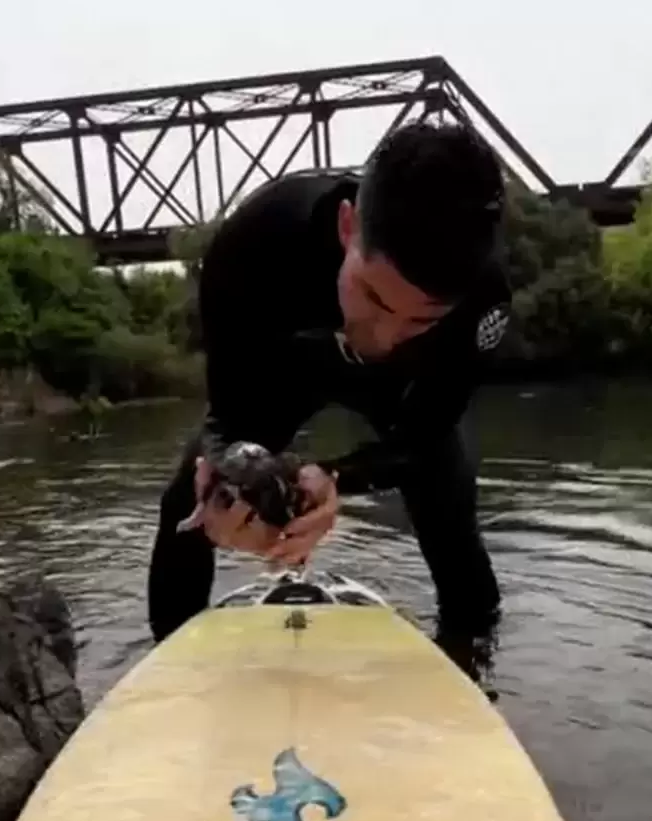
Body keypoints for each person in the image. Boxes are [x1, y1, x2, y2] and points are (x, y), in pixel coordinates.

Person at [145, 121, 511, 690]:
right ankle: (167, 679)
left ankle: (475, 673)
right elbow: (229, 420)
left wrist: (333, 478)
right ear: (347, 227)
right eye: (372, 296)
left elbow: (424, 434)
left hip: (403, 393)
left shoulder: (484, 297)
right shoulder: (254, 244)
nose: (386, 336)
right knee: (180, 509)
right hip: (286, 372)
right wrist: (231, 483)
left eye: (420, 321)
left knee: (452, 516)